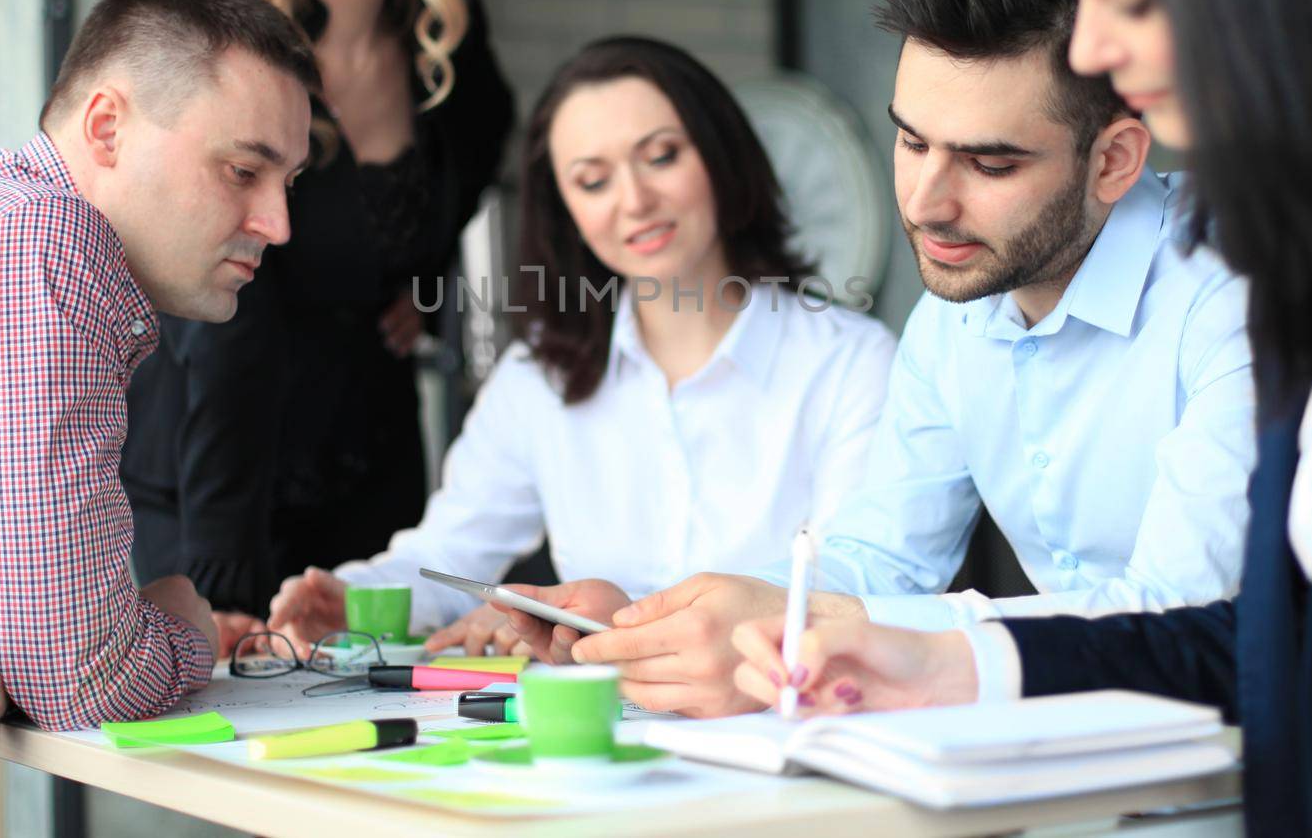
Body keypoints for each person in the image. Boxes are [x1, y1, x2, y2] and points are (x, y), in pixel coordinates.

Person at [730, 0, 1312, 834]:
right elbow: (1253, 645)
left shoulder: (1264, 283)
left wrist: (934, 645)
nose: (1097, 43)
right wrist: (743, 620)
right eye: (909, 143)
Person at [501, 0, 1255, 718]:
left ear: (1113, 161)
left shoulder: (1240, 293)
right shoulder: (950, 323)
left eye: (990, 163)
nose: (926, 202)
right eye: (910, 139)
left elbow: (1179, 615)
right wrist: (660, 623)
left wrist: (866, 635)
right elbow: (876, 563)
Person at [0, 0, 317, 834]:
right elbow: (80, 669)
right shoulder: (45, 247)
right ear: (108, 127)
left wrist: (23, 644)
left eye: (288, 181)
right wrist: (186, 625)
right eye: (244, 170)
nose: (277, 223)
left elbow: (45, 646)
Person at [264, 37, 897, 658]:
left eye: (662, 156)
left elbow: (858, 583)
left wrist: (617, 616)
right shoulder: (536, 378)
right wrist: (351, 597)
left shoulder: (849, 363)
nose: (635, 201)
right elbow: (449, 554)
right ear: (565, 211)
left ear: (722, 156)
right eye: (593, 181)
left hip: (791, 718)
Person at [120, 0, 514, 642]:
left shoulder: (441, 23)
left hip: (370, 453)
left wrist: (424, 277)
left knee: (384, 741)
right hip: (214, 469)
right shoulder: (225, 53)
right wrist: (220, 576)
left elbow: (486, 135)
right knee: (229, 750)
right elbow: (220, 335)